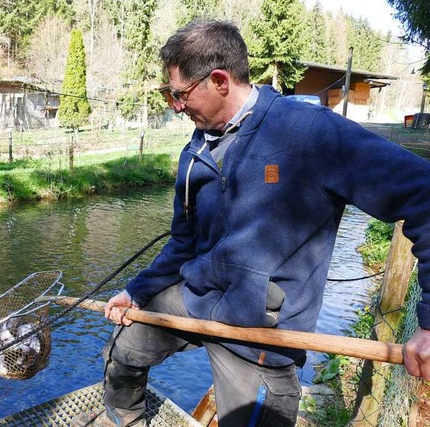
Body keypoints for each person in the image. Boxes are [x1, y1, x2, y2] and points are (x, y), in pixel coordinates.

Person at [74, 19, 430, 427]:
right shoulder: (195, 152)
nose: (175, 105)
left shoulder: (311, 134)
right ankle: (125, 419)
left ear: (220, 80)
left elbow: (425, 196)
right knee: (124, 346)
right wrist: (136, 292)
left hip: (263, 330)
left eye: (179, 94)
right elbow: (182, 243)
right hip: (197, 297)